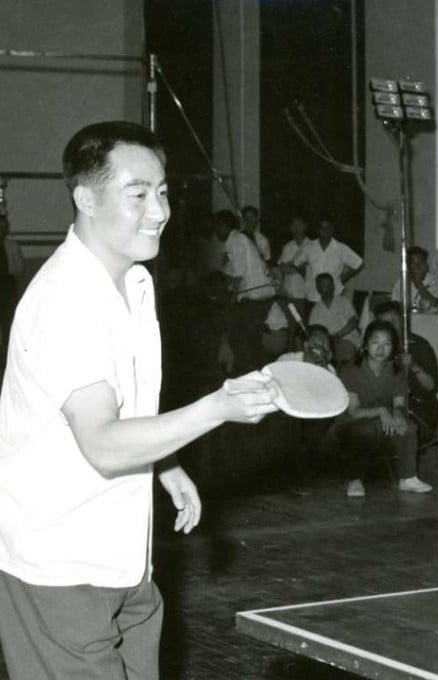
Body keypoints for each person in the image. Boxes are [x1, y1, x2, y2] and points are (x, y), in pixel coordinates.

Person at [0, 121, 279, 679]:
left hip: (126, 560)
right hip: (61, 570)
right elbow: (102, 443)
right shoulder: (65, 301)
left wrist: (166, 464)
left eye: (163, 191)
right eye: (138, 194)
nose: (160, 210)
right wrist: (218, 407)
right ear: (85, 198)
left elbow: (128, 409)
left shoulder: (134, 282)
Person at [335, 320, 432, 497]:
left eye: (386, 344)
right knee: (365, 428)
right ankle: (354, 479)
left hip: (382, 422)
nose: (381, 349)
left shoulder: (396, 370)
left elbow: (399, 404)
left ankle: (408, 478)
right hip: (352, 424)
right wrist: (382, 411)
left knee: (409, 427)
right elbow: (353, 411)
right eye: (375, 343)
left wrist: (397, 413)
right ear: (365, 344)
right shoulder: (351, 370)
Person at [374, 300, 438, 441]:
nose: (390, 328)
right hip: (386, 405)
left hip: (418, 405)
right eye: (385, 324)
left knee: (409, 435)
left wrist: (413, 366)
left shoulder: (419, 345)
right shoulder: (375, 347)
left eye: (393, 321)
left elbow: (431, 386)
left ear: (403, 320)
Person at [223, 209, 275, 373]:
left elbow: (265, 265)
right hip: (248, 296)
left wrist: (232, 297)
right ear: (243, 220)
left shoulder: (262, 240)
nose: (250, 221)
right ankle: (251, 371)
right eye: (247, 218)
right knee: (248, 338)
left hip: (261, 295)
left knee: (248, 338)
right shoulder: (237, 238)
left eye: (253, 218)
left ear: (258, 219)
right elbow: (237, 270)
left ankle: (253, 371)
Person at [293, 216, 363, 304]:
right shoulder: (309, 247)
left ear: (332, 229)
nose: (325, 231)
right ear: (317, 230)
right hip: (312, 295)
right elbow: (296, 263)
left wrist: (342, 279)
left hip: (334, 295)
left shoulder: (341, 248)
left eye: (328, 227)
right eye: (322, 228)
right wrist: (307, 277)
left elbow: (359, 264)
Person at [308, 272, 360, 366]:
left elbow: (354, 322)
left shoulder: (344, 302)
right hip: (328, 344)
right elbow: (314, 332)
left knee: (345, 350)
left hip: (348, 339)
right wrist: (329, 340)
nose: (328, 288)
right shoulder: (316, 310)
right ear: (318, 289)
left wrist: (339, 335)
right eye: (324, 285)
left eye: (330, 284)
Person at [391, 245, 438, 312]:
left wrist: (419, 284)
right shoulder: (400, 283)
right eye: (413, 263)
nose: (417, 266)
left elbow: (434, 304)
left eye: (421, 262)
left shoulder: (436, 282)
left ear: (426, 264)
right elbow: (395, 308)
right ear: (408, 266)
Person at [0, 214, 25, 347]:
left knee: (8, 321)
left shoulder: (11, 246)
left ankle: (5, 354)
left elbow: (19, 268)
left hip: (7, 284)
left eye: (2, 227)